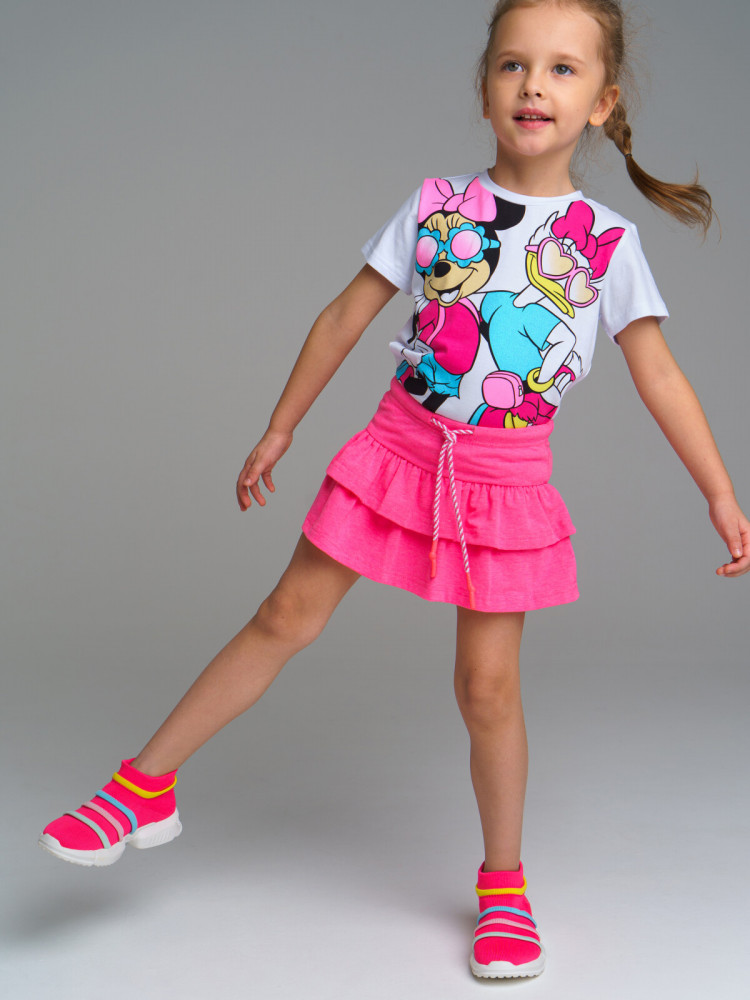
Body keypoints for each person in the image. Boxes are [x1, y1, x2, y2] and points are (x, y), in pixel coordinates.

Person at [39, 0, 750, 981]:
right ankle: (141, 786)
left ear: (601, 102)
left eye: (562, 69)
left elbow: (659, 375)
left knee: (486, 689)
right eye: (512, 64)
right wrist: (282, 423)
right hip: (395, 448)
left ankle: (504, 885)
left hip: (504, 483)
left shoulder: (607, 242)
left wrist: (719, 492)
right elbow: (345, 315)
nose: (533, 85)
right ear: (485, 87)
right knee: (284, 615)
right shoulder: (434, 206)